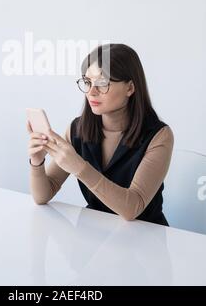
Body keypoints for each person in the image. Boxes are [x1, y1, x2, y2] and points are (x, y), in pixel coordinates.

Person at [27, 43, 174, 225]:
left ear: (130, 88)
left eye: (103, 83)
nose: (91, 92)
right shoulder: (77, 129)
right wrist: (37, 161)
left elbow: (132, 208)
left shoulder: (159, 135)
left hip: (147, 237)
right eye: (87, 82)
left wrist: (79, 167)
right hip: (96, 233)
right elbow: (43, 195)